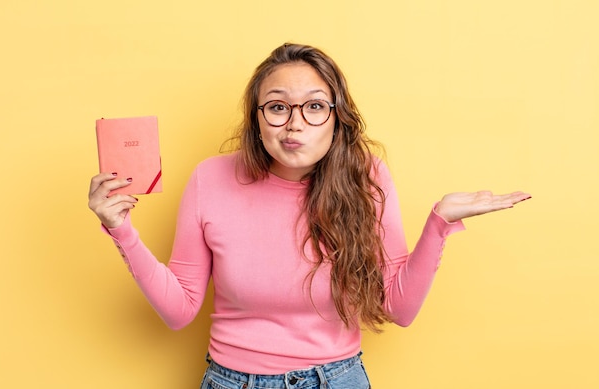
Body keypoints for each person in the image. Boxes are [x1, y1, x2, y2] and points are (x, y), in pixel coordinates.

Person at [88, 43, 531, 389]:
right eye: (278, 107)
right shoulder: (211, 179)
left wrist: (439, 223)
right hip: (232, 380)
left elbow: (399, 307)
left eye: (315, 106)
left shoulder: (367, 178)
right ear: (257, 120)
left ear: (336, 119)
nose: (294, 124)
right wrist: (120, 229)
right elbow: (179, 310)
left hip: (337, 380)